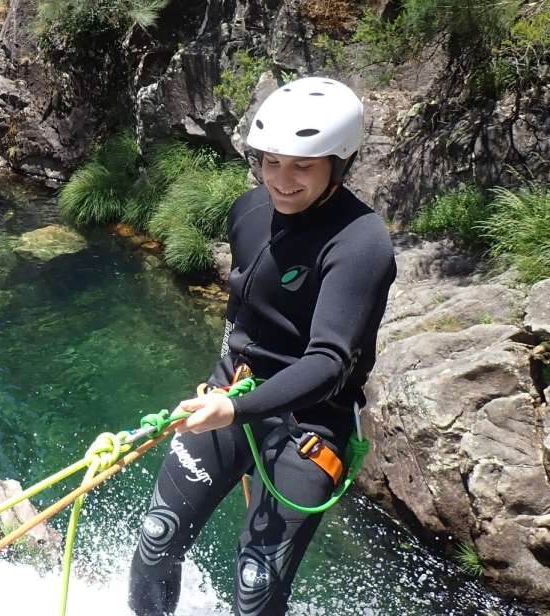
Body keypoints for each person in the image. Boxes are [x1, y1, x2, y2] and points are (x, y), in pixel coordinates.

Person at [128, 77, 397, 616]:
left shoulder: (361, 244)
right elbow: (244, 313)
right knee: (156, 541)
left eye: (302, 165)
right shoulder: (249, 212)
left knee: (256, 587)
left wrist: (236, 407)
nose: (282, 180)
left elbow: (329, 362)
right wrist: (225, 386)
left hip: (309, 424)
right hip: (232, 394)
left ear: (339, 164)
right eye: (270, 162)